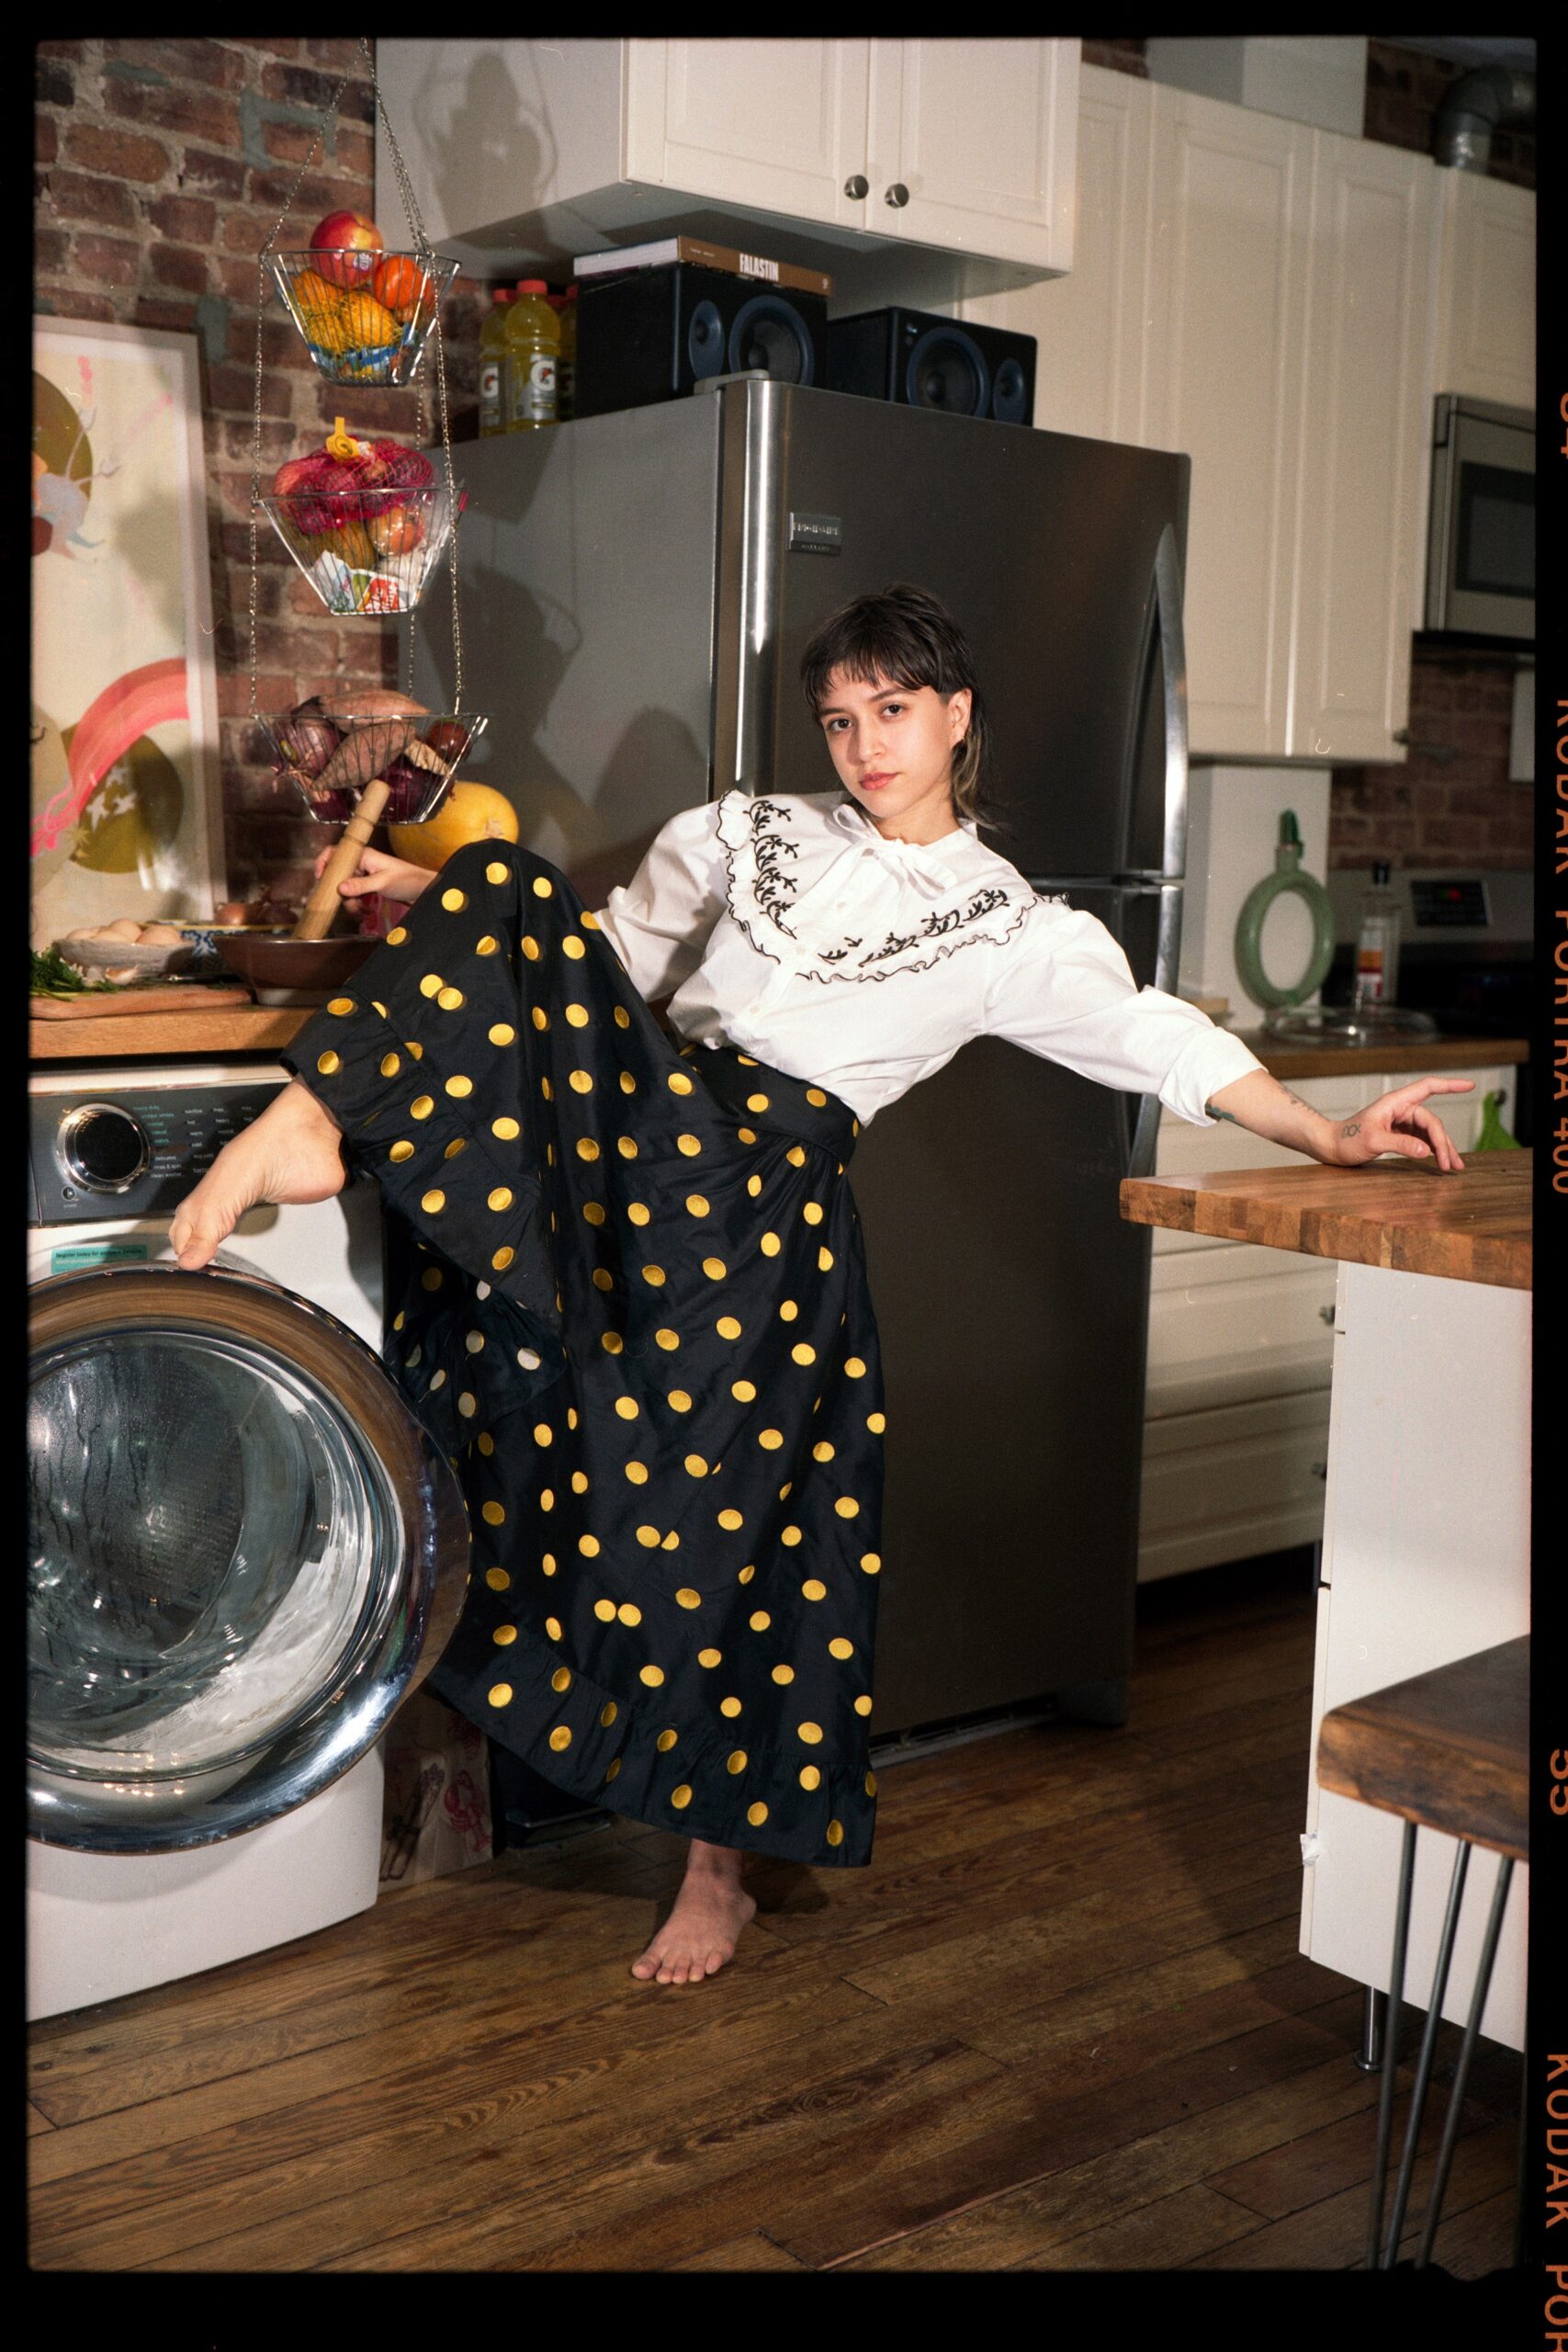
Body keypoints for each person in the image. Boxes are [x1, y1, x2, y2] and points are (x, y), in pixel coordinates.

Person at [171, 583, 1471, 1988]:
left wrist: (1333, 1131)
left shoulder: (1008, 931)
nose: (864, 746)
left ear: (958, 715)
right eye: (842, 720)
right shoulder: (747, 832)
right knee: (500, 880)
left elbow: (1166, 1043)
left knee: (731, 1543)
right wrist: (445, 912)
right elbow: (613, 969)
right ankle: (310, 1128)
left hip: (764, 1222)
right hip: (652, 1137)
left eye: (893, 714)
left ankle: (718, 1872)